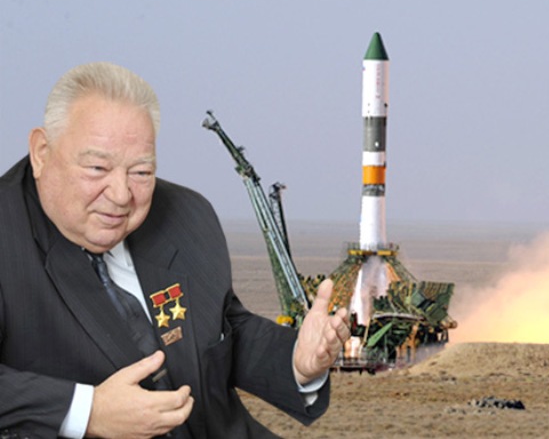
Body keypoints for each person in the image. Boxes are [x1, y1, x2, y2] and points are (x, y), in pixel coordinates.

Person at [0, 62, 350, 438]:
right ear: (41, 152)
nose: (120, 195)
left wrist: (297, 362)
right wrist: (89, 412)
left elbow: (222, 332)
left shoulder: (187, 215)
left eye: (141, 172)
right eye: (98, 168)